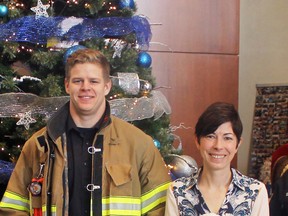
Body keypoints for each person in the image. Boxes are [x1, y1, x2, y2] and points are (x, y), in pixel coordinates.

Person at [0, 48, 171, 215]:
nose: (85, 87)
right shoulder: (39, 145)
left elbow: (161, 209)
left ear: (107, 86)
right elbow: (13, 208)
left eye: (94, 81)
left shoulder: (139, 144)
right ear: (67, 85)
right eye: (78, 81)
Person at [165, 102, 269, 216]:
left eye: (227, 138)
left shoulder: (255, 191)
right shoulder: (177, 191)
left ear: (238, 144)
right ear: (197, 141)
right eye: (210, 136)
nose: (218, 146)